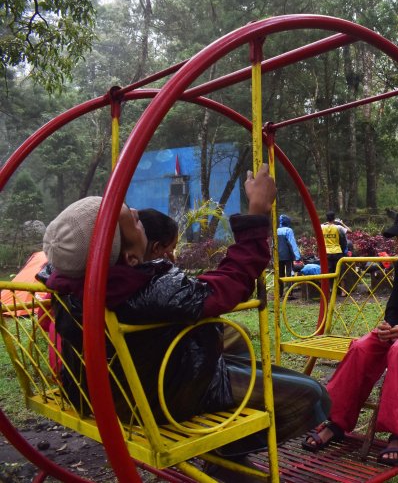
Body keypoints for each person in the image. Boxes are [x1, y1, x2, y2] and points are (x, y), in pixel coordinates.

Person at [39, 164, 330, 456]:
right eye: (136, 221)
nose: (139, 214)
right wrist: (256, 214)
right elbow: (230, 284)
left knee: (231, 337)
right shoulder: (148, 290)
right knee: (313, 395)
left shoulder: (68, 280)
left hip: (100, 388)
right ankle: (225, 449)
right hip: (158, 398)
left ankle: (229, 406)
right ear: (130, 257)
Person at [301, 206, 398, 467]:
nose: (397, 241)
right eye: (395, 236)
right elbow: (395, 304)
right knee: (362, 346)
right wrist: (391, 326)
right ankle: (337, 420)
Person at [276, 214, 302, 298]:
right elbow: (292, 243)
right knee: (289, 273)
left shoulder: (276, 230)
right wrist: (297, 256)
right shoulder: (288, 230)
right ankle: (289, 293)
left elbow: (273, 244)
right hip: (287, 255)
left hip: (278, 256)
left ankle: (279, 293)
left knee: (280, 274)